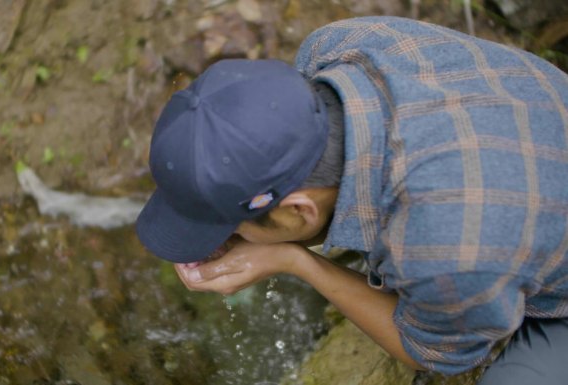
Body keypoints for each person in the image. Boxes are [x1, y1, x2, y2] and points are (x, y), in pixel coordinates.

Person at [135, 16, 568, 384]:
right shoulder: (339, 47)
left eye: (230, 225)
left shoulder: (446, 245)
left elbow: (430, 352)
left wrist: (297, 262)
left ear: (298, 210)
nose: (228, 236)